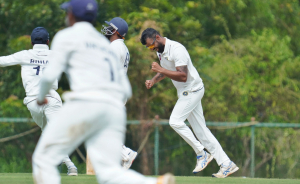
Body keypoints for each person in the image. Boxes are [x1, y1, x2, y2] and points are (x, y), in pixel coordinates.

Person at [32, 0, 175, 184]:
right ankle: (155, 182)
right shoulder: (103, 45)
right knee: (108, 172)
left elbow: (49, 74)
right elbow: (125, 88)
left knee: (43, 159)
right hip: (114, 107)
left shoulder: (68, 36)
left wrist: (42, 96)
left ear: (72, 15)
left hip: (87, 101)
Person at [140, 28, 239, 178]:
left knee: (175, 121)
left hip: (192, 90)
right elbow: (167, 70)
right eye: (149, 47)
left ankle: (201, 153)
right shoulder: (161, 50)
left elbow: (183, 76)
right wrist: (153, 80)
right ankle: (226, 163)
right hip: (187, 92)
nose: (151, 49)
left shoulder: (177, 50)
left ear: (158, 38)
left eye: (151, 45)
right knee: (202, 132)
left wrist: (160, 69)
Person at [0, 27, 77, 176]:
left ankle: (68, 165)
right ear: (48, 41)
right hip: (52, 98)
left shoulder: (25, 55)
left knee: (48, 131)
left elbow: (2, 61)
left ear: (31, 42)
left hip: (33, 102)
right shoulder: (56, 55)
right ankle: (67, 164)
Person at [101, 17, 137, 170]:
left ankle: (126, 154)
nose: (106, 29)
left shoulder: (115, 47)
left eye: (109, 27)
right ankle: (123, 156)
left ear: (115, 31)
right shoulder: (121, 47)